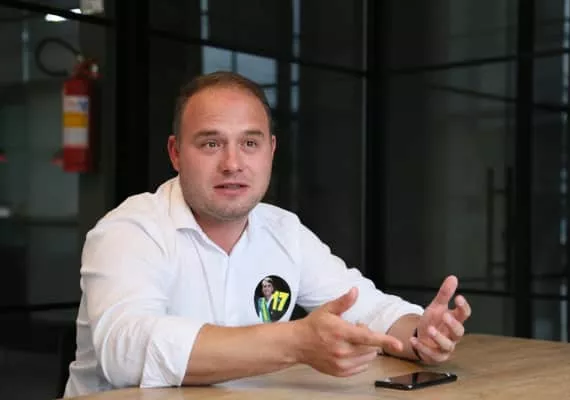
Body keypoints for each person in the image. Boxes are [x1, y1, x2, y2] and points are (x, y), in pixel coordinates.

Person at [63, 71, 472, 398]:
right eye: (211, 144)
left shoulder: (283, 230)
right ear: (175, 153)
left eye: (250, 143)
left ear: (271, 151)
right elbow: (126, 351)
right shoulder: (129, 230)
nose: (232, 163)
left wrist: (421, 334)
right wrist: (294, 342)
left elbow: (365, 307)